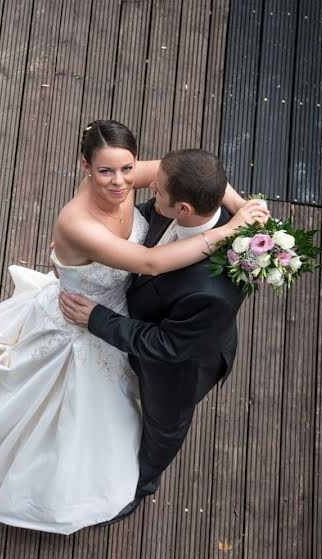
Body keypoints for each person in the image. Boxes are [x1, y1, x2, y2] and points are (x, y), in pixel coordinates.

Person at [0, 120, 267, 534]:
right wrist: (229, 231)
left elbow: (201, 176)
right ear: (85, 166)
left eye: (128, 170)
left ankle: (142, 481)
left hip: (147, 329)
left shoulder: (146, 183)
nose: (123, 184)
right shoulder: (78, 221)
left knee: (158, 418)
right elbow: (149, 264)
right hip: (85, 316)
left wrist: (240, 209)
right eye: (105, 172)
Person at [59, 147, 253, 525]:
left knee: (166, 427)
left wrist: (96, 318)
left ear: (182, 208)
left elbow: (168, 345)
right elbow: (143, 233)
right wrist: (88, 251)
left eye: (158, 193)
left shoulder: (212, 292)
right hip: (143, 311)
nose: (150, 195)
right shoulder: (197, 198)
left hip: (178, 368)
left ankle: (142, 484)